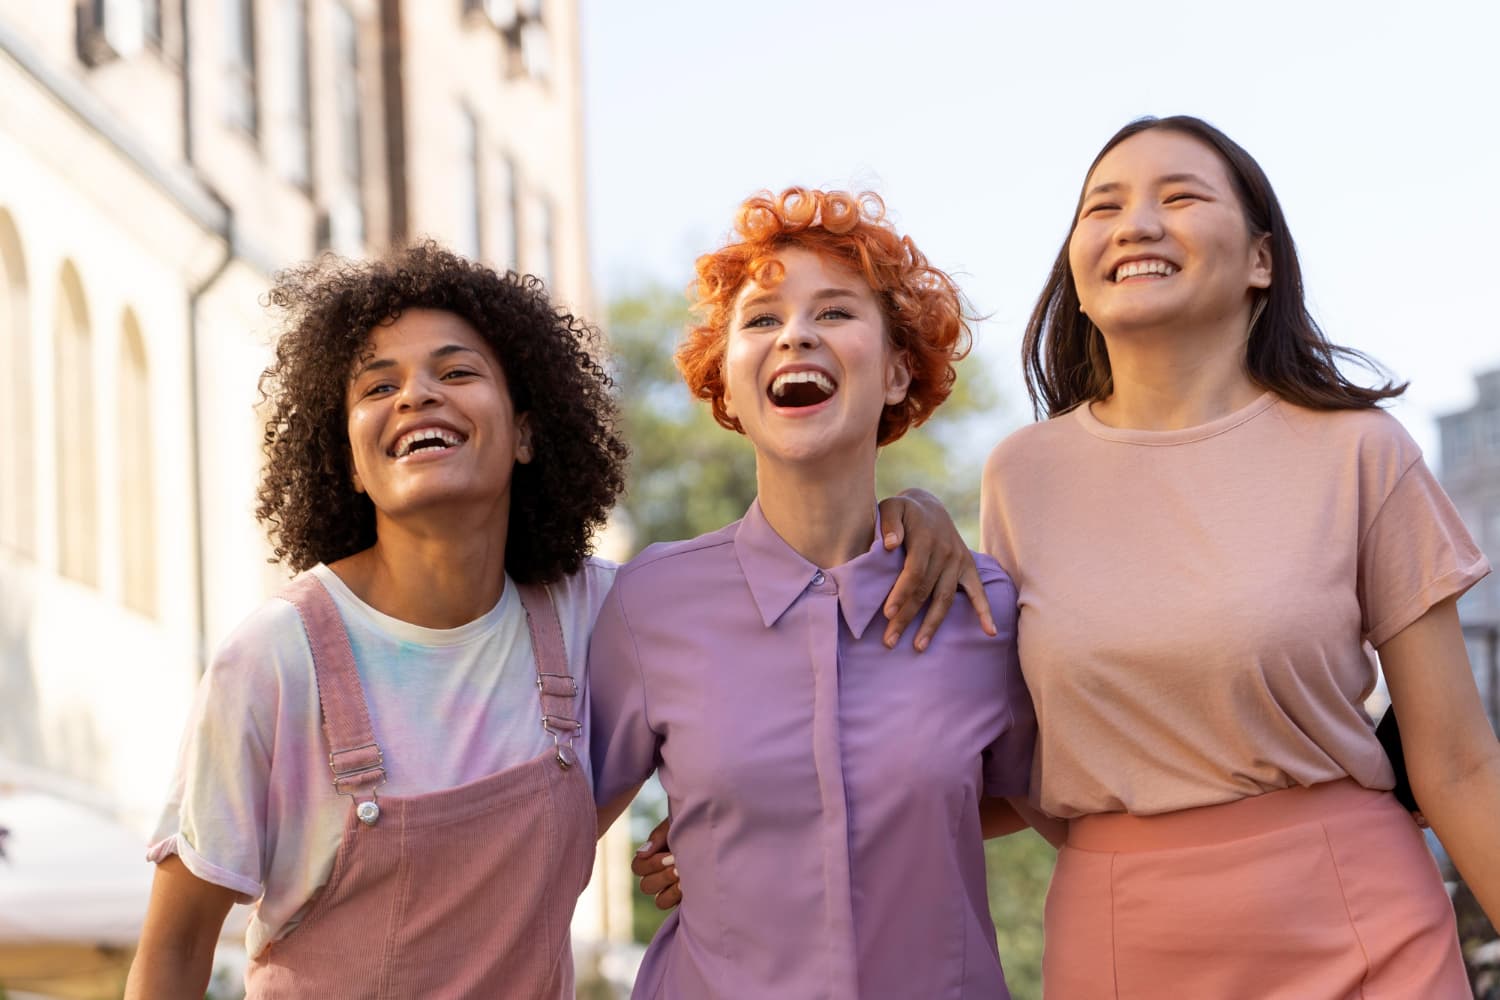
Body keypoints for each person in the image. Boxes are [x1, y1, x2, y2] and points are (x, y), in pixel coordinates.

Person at [124, 243, 984, 1000]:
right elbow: (171, 956)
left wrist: (906, 517)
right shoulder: (276, 658)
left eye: (456, 372)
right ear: (344, 458)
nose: (416, 395)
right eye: (377, 385)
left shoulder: (603, 613)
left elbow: (758, 650)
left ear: (528, 431)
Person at [982, 115, 1499, 997]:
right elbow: (985, 750)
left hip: (1362, 927)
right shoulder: (1022, 477)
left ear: (1262, 259)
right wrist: (749, 829)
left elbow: (1456, 761)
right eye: (1102, 207)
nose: (1135, 224)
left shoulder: (1361, 451)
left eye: (1179, 197)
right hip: (1120, 941)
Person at [588, 188, 1036, 999]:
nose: (794, 332)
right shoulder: (651, 602)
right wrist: (725, 830)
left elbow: (1040, 801)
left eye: (834, 312)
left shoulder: (986, 605)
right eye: (760, 320)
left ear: (899, 372)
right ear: (725, 381)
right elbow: (550, 826)